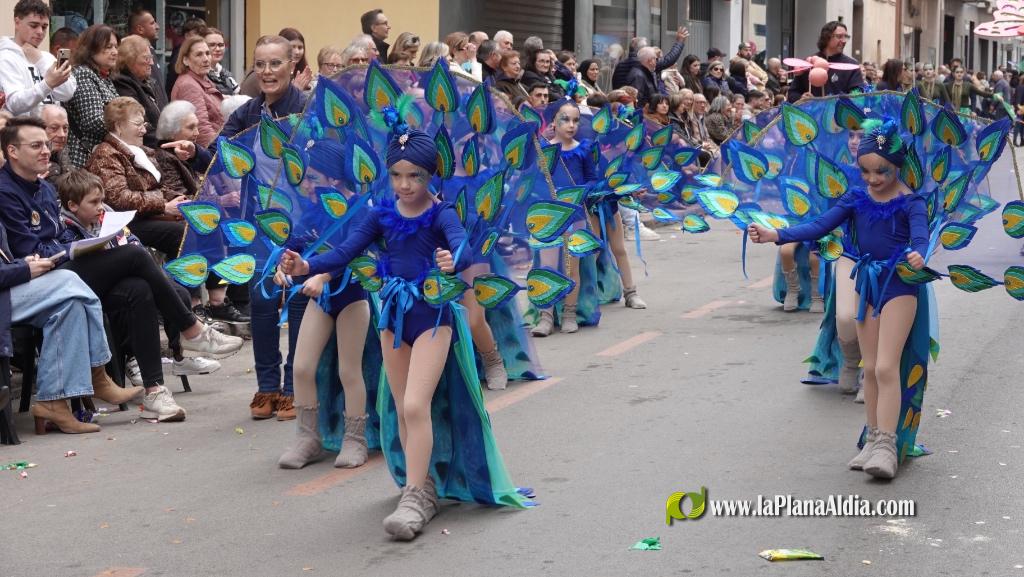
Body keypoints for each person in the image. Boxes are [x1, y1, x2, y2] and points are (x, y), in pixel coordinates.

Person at [279, 123, 530, 539]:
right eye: (396, 174)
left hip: (432, 316)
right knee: (400, 407)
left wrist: (454, 258)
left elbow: (460, 241)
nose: (405, 183)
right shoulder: (380, 213)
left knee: (415, 405)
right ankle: (424, 486)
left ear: (430, 175)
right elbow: (344, 252)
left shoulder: (441, 212)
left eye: (414, 175)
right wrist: (306, 266)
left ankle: (414, 497)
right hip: (393, 318)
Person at [0, 117, 243, 422]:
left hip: (64, 267)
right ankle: (191, 328)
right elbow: (29, 252)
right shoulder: (6, 192)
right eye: (36, 145)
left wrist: (86, 244)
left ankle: (155, 393)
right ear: (12, 151)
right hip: (41, 279)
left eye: (46, 144)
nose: (46, 150)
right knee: (135, 256)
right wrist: (75, 248)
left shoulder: (44, 188)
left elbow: (57, 235)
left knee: (137, 290)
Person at [749, 118, 929, 480]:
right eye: (865, 171)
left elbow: (923, 238)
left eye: (882, 171)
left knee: (885, 367)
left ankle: (888, 446)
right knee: (870, 366)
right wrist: (776, 234)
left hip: (899, 285)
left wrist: (919, 255)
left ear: (897, 165)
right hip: (866, 281)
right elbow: (820, 225)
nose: (873, 179)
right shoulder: (856, 198)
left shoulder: (912, 202)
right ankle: (872, 439)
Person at [220, 35, 309, 421]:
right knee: (261, 301)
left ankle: (294, 387)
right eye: (261, 64)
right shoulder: (247, 113)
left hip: (304, 221)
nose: (268, 71)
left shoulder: (307, 110)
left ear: (292, 66)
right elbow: (222, 156)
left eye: (276, 64)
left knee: (300, 299)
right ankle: (267, 386)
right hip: (259, 221)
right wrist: (195, 152)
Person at [276, 140, 374, 469]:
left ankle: (355, 438)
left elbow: (354, 254)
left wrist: (324, 277)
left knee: (349, 370)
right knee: (302, 367)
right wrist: (282, 265)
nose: (305, 183)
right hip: (322, 299)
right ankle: (308, 438)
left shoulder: (362, 209)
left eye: (312, 177)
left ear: (333, 179)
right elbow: (295, 243)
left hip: (353, 297)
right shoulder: (314, 209)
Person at [0, 216, 123, 434]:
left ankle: (53, 403)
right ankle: (98, 370)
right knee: (69, 280)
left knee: (72, 305)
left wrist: (25, 263)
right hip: (5, 297)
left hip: (9, 290)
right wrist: (25, 270)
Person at [0, 0, 76, 118]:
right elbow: (14, 104)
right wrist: (47, 84)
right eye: (33, 25)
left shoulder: (46, 57)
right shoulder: (5, 57)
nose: (40, 32)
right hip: (23, 133)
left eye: (44, 27)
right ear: (17, 22)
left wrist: (40, 60)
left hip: (52, 131)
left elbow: (67, 93)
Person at [65, 24, 119, 168]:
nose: (114, 52)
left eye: (115, 46)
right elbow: (94, 121)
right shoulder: (83, 73)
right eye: (108, 47)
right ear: (91, 48)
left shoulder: (105, 77)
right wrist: (126, 125)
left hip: (101, 155)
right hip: (85, 157)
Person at [112, 34, 167, 148]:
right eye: (146, 58)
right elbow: (140, 125)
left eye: (151, 57)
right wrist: (167, 143)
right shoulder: (123, 84)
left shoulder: (148, 82)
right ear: (129, 60)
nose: (151, 63)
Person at [787, 21, 864, 102]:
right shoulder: (809, 63)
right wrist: (801, 98)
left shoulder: (851, 65)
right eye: (839, 36)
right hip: (811, 113)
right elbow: (792, 93)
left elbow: (858, 93)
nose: (844, 41)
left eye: (846, 37)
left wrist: (846, 100)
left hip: (840, 113)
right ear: (827, 37)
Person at [170, 35, 224, 148]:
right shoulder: (188, 86)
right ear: (185, 60)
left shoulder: (202, 79)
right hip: (206, 155)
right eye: (199, 54)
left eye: (207, 53)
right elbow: (202, 129)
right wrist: (221, 154)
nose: (206, 59)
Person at [611, 27, 689, 89]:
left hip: (621, 104)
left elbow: (615, 84)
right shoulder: (645, 63)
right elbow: (669, 59)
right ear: (643, 51)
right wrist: (680, 42)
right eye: (647, 48)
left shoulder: (620, 65)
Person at [164, 16, 206, 100]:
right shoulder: (181, 53)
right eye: (198, 34)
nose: (201, 38)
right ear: (187, 35)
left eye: (203, 35)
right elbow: (174, 76)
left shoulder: (186, 50)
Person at [126, 7, 163, 91]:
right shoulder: (131, 54)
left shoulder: (151, 49)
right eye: (152, 23)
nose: (157, 27)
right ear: (140, 29)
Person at [204, 27, 238, 96]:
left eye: (221, 45)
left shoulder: (227, 75)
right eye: (212, 45)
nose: (218, 49)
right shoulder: (200, 75)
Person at [41, 104, 69, 183]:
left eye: (65, 128)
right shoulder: (28, 163)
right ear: (39, 128)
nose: (62, 134)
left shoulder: (63, 152)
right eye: (54, 128)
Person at [279, 28, 312, 92]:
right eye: (292, 47)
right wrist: (296, 90)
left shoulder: (302, 72)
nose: (297, 52)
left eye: (300, 48)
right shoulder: (274, 73)